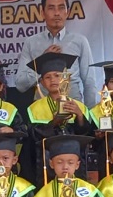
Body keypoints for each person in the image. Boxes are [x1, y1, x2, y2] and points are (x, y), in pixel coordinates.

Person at [15, 0, 99, 107]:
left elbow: (89, 81)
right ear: (42, 13)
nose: (57, 13)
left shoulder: (80, 41)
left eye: (61, 8)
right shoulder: (31, 43)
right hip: (42, 110)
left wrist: (89, 114)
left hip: (73, 108)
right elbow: (20, 85)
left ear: (67, 12)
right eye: (51, 8)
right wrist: (42, 60)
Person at [26, 52, 93, 182]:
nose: (53, 80)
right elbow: (34, 137)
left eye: (57, 75)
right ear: (42, 82)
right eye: (47, 77)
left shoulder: (79, 106)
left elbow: (86, 135)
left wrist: (79, 115)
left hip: (73, 162)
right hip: (46, 162)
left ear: (66, 79)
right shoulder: (35, 108)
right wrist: (54, 122)